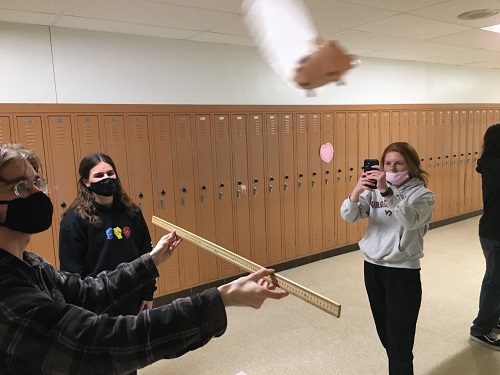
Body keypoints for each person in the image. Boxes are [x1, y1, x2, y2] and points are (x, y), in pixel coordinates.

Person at [0, 143, 288, 374]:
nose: (37, 193)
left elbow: (89, 291)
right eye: (22, 187)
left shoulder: (31, 264)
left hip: (124, 306)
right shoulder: (8, 293)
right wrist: (220, 298)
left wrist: (151, 262)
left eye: (37, 183)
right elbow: (100, 342)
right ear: (85, 183)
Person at [340, 142, 435, 375]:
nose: (392, 168)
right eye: (388, 163)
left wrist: (387, 192)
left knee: (400, 340)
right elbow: (349, 216)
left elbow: (411, 220)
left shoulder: (422, 195)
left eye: (399, 163)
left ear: (410, 165)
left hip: (402, 269)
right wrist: (356, 191)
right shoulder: (373, 191)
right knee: (385, 334)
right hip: (372, 267)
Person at [59, 153, 156, 317]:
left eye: (110, 174)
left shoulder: (132, 213)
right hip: (97, 305)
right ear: (86, 182)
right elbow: (72, 272)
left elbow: (146, 254)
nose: (107, 178)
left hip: (133, 300)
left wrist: (148, 293)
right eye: (98, 175)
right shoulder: (74, 221)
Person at [470, 123, 500, 350]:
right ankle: (481, 329)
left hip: (492, 230)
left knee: (496, 279)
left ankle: (494, 318)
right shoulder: (494, 165)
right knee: (494, 282)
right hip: (495, 231)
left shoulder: (491, 163)